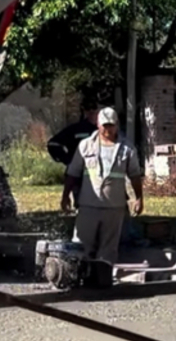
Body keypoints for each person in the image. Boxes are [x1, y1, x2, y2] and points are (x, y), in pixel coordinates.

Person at [61, 107, 144, 288]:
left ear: (117, 126)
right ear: (98, 125)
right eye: (104, 125)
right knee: (82, 244)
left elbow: (135, 175)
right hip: (88, 206)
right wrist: (65, 196)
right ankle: (81, 279)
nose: (108, 130)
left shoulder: (127, 148)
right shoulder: (85, 146)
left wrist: (138, 198)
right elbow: (73, 173)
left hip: (114, 207)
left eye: (111, 126)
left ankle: (103, 282)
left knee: (108, 248)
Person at [47, 99, 99, 170]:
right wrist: (68, 160)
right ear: (84, 111)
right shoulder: (76, 129)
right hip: (77, 171)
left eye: (94, 108)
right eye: (88, 108)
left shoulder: (104, 130)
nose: (91, 111)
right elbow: (53, 144)